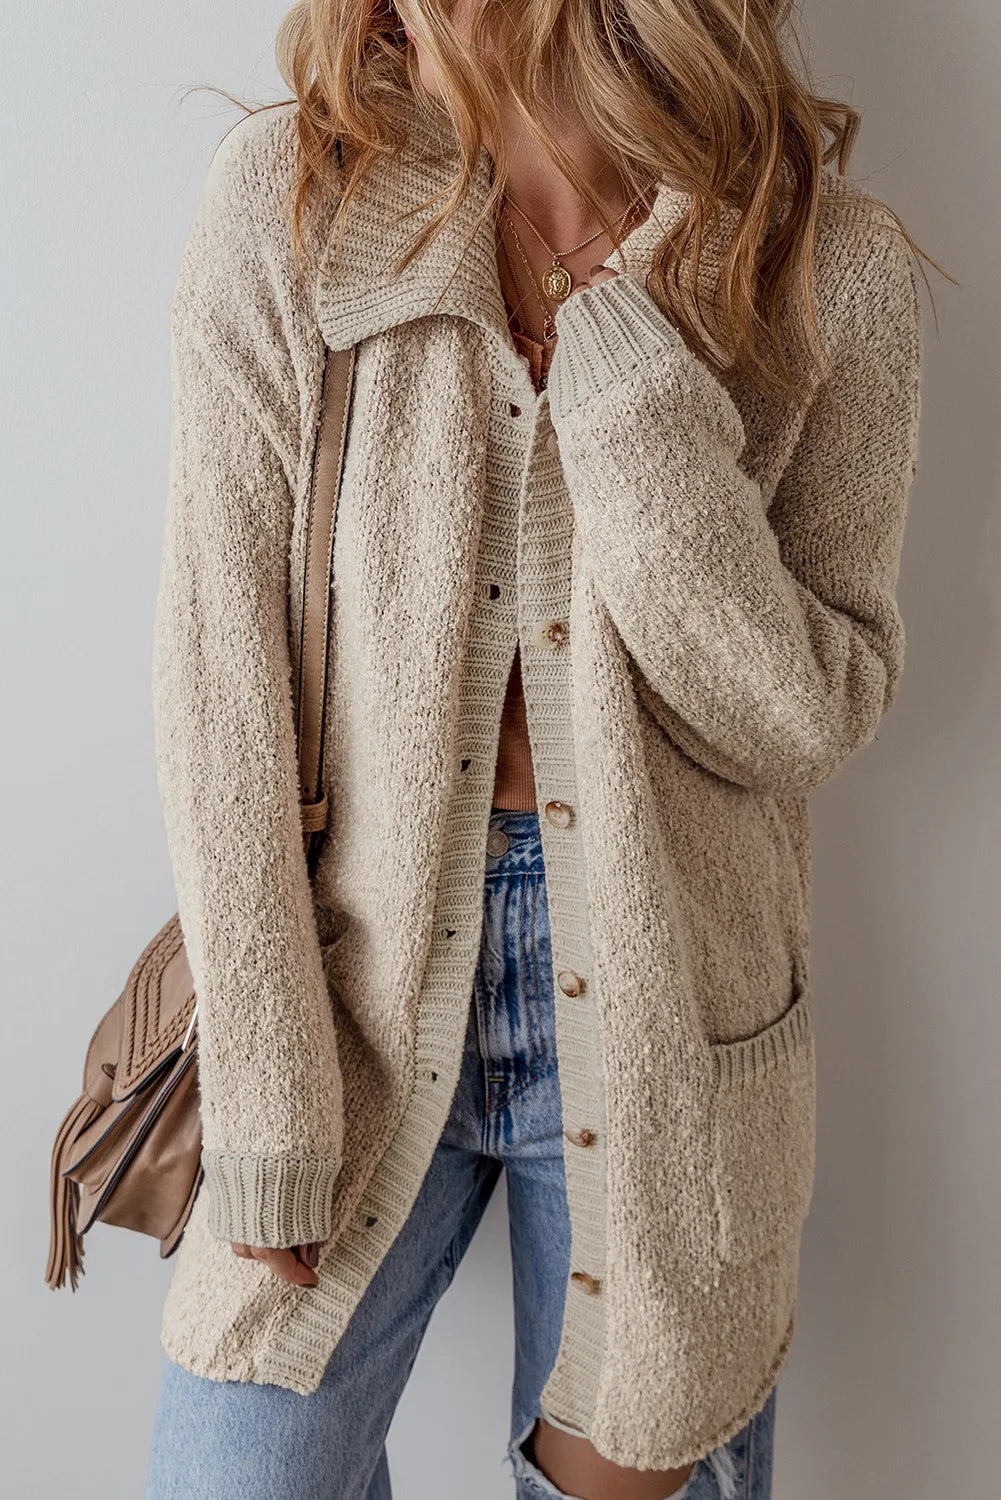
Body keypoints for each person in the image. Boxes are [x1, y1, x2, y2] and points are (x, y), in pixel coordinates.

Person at [143, 0, 928, 1495]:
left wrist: (631, 399)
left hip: (674, 1022)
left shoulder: (827, 269)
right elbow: (217, 685)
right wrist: (267, 1093)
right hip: (348, 988)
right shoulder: (296, 203)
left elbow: (805, 715)